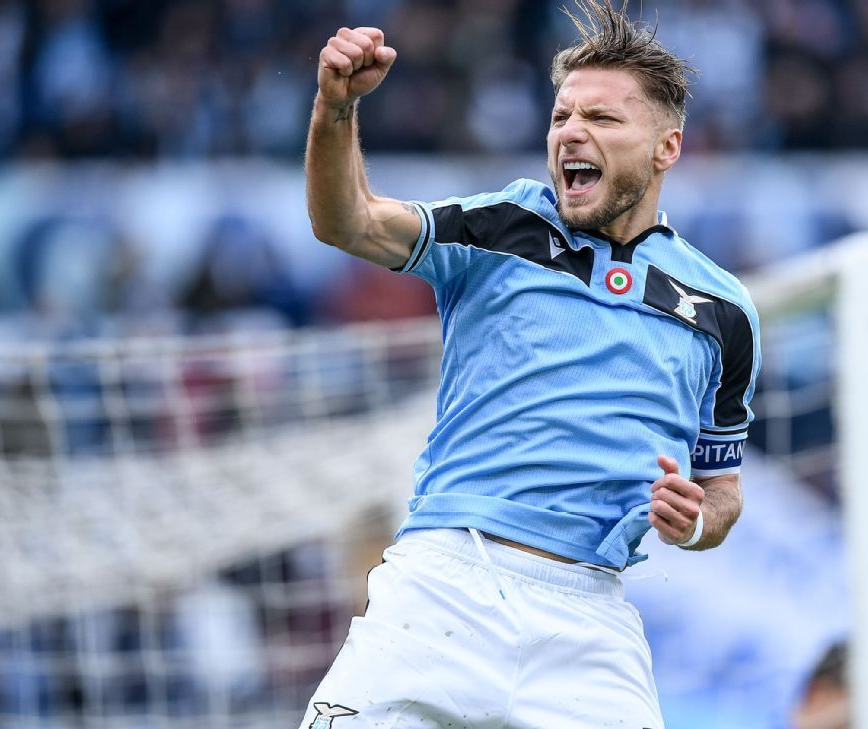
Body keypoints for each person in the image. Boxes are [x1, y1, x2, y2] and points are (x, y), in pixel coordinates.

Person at [299, 2, 760, 727]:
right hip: (445, 583)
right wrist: (336, 109)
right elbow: (345, 220)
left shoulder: (724, 311)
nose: (572, 132)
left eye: (603, 120)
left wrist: (697, 522)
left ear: (667, 148)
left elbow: (721, 490)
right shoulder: (501, 228)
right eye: (561, 118)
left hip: (589, 618)